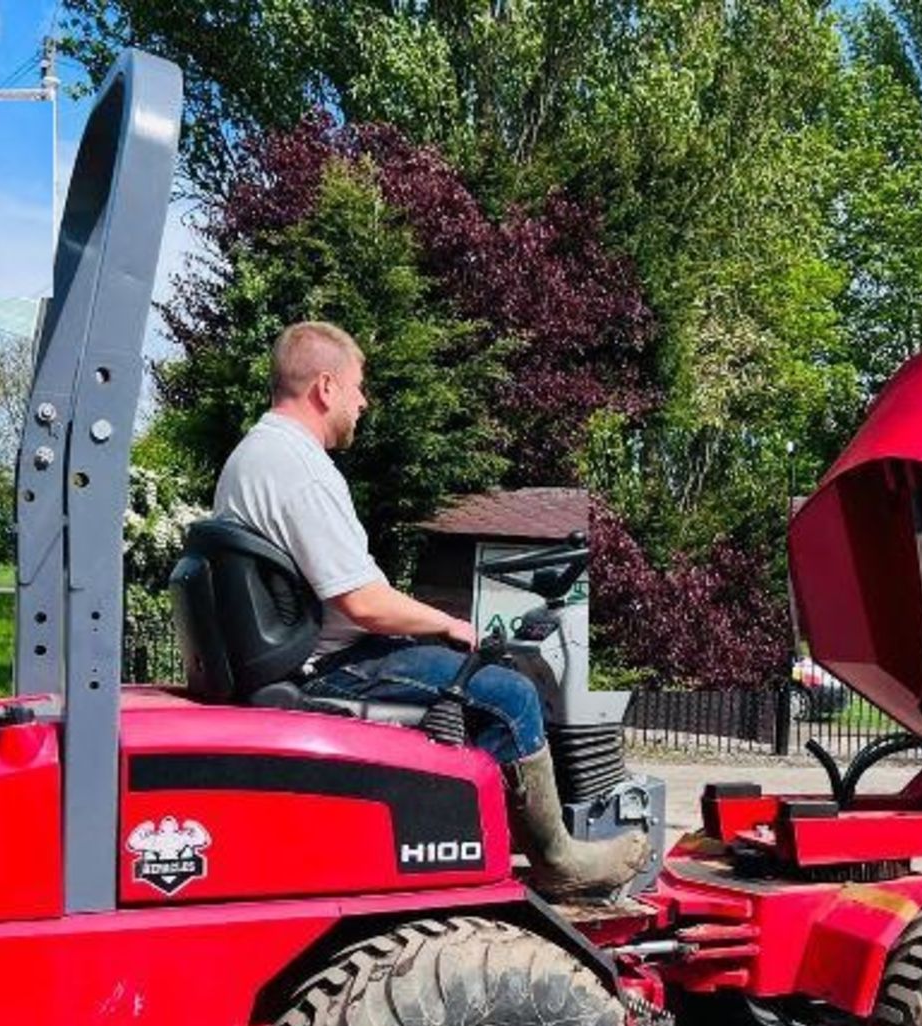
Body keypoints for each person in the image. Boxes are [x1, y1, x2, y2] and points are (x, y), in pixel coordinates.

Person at [211, 320, 648, 898]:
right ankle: (554, 858)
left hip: (307, 651)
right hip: (333, 662)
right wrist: (446, 623)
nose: (363, 402)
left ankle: (493, 841)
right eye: (358, 386)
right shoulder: (301, 471)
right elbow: (364, 603)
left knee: (471, 678)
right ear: (325, 387)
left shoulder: (255, 455)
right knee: (509, 696)